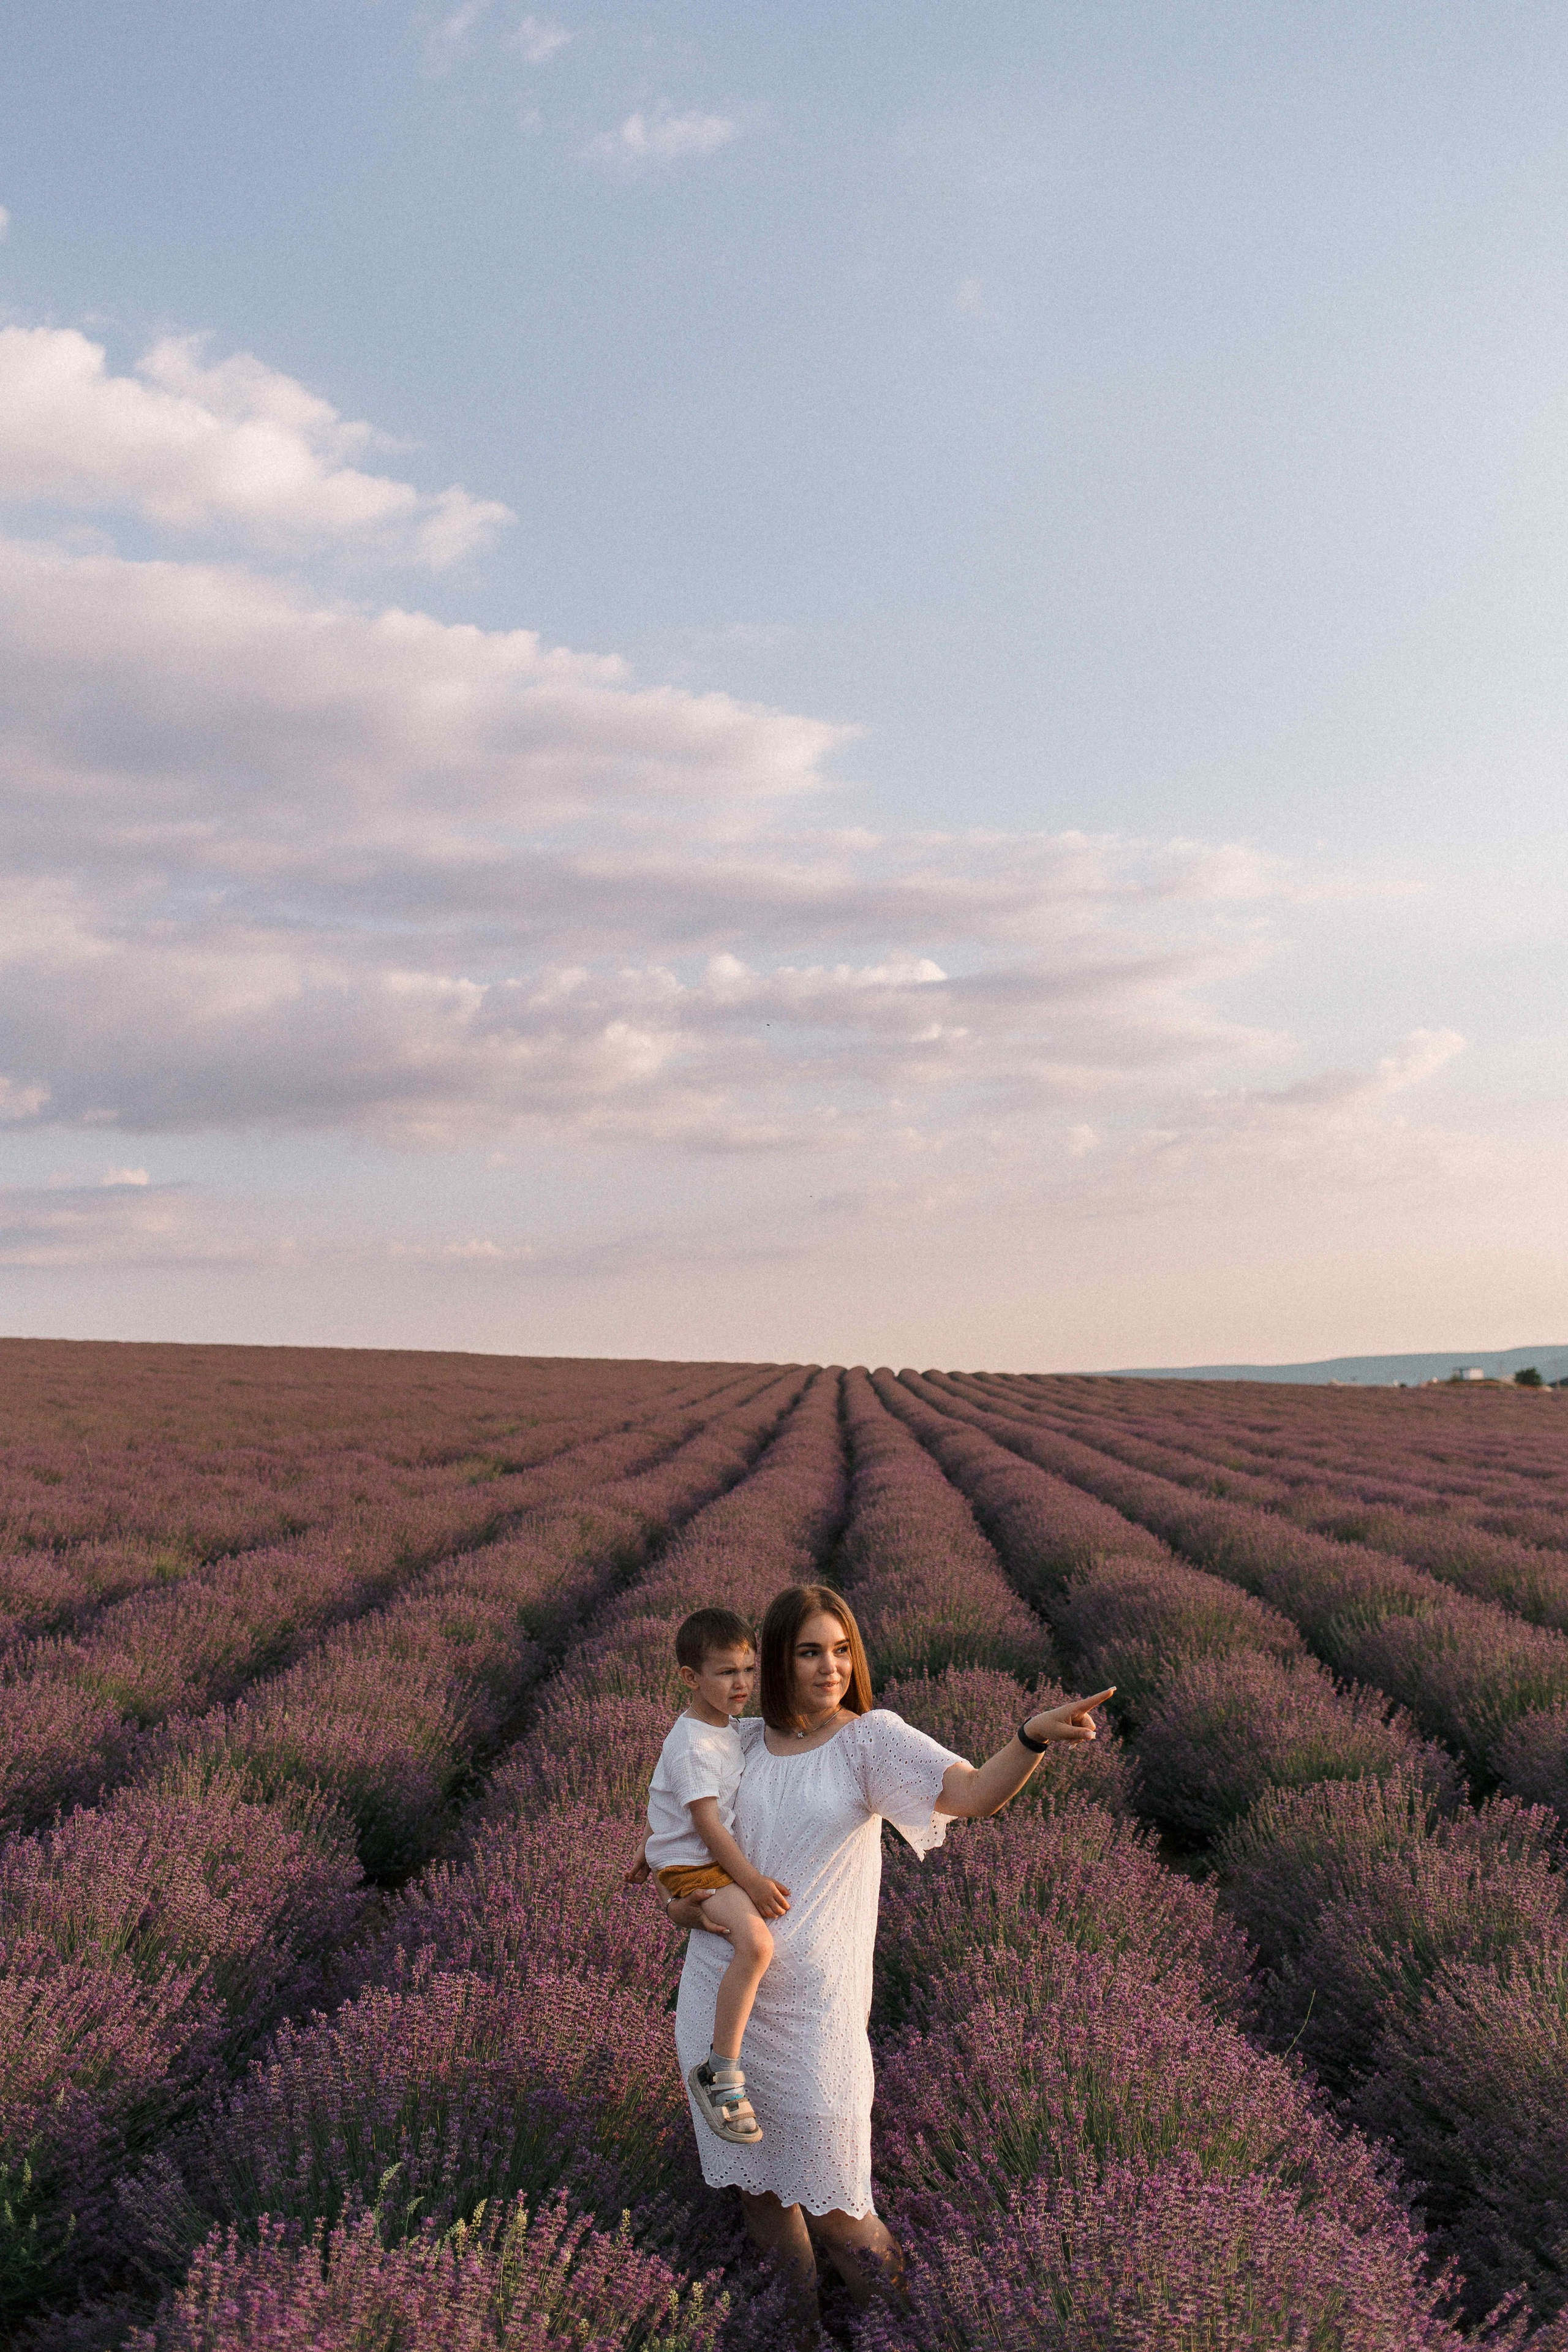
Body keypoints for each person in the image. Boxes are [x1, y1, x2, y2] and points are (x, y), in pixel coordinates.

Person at [658, 1581, 1114, 2336]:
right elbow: (685, 1850)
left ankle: (906, 2334)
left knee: (843, 2212)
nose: (829, 1667)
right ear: (776, 1659)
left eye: (841, 1651)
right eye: (809, 1652)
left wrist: (1029, 1737)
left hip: (815, 2021)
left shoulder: (869, 1740)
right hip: (720, 2012)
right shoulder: (732, 1744)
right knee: (761, 2200)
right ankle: (795, 2332)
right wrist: (682, 1905)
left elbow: (970, 1795)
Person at [625, 1607, 791, 2145]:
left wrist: (649, 1849)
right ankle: (720, 2072)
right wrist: (753, 1881)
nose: (742, 1683)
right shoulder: (696, 1744)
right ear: (690, 1679)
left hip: (686, 1858)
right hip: (700, 1868)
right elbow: (707, 1824)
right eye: (725, 1673)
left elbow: (669, 1806)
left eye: (748, 1670)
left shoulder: (722, 1729)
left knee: (755, 1942)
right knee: (756, 1943)